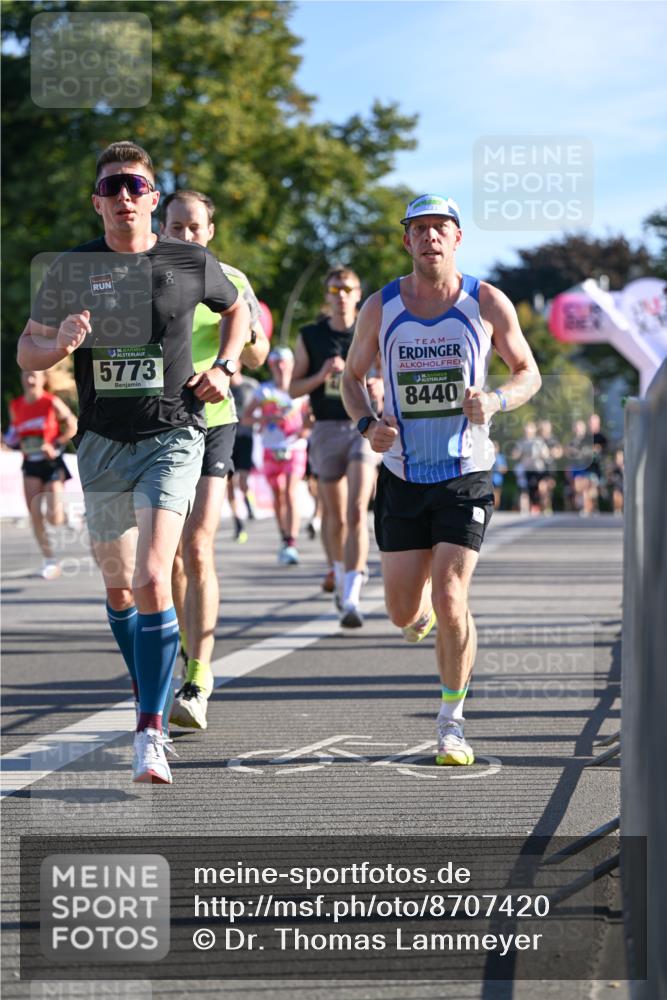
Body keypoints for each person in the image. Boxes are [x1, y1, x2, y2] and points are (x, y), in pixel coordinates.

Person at [17, 141, 250, 784]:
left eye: (137, 186)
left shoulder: (189, 260)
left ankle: (149, 730)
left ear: (153, 197)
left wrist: (224, 369)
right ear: (97, 201)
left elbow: (238, 312)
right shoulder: (71, 267)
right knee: (119, 586)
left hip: (172, 434)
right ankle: (152, 674)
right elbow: (25, 352)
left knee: (153, 575)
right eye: (113, 186)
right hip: (99, 443)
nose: (125, 196)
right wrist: (57, 343)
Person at [342, 193, 541, 765]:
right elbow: (352, 378)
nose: (430, 237)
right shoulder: (381, 306)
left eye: (441, 228)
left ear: (457, 239)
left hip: (465, 471)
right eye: (420, 229)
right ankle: (420, 615)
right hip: (403, 474)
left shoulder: (486, 302)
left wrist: (497, 399)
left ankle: (451, 721)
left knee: (453, 592)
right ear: (406, 240)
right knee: (405, 612)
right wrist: (366, 424)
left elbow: (528, 371)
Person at [160, 189, 269, 731]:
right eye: (175, 227)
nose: (184, 236)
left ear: (209, 232)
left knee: (198, 545)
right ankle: (185, 646)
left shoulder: (232, 279)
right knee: (172, 557)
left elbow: (260, 355)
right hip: (158, 422)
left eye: (193, 228)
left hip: (215, 419)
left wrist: (242, 339)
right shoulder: (145, 273)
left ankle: (199, 677)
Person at [290, 267, 380, 628]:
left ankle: (353, 595)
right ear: (326, 295)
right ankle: (339, 571)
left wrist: (379, 388)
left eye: (347, 288)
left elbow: (389, 372)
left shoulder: (371, 327)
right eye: (334, 288)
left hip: (363, 427)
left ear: (358, 294)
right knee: (334, 515)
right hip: (325, 428)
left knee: (358, 511)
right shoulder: (311, 335)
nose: (341, 294)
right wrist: (322, 374)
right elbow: (293, 388)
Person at [7, 369, 78, 578]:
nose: (29, 379)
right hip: (30, 463)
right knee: (35, 515)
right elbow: (13, 434)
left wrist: (56, 444)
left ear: (43, 379)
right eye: (26, 375)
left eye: (34, 376)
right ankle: (49, 560)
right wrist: (10, 442)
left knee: (53, 517)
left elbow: (73, 424)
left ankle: (66, 516)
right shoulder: (16, 405)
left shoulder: (51, 402)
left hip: (51, 463)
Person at [242, 346, 309, 564]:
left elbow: (310, 418)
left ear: (291, 365)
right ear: (271, 365)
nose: (281, 367)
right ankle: (284, 536)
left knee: (290, 491)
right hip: (271, 448)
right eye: (276, 363)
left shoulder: (301, 391)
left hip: (295, 447)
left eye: (285, 362)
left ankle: (292, 541)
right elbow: (246, 418)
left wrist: (305, 428)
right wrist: (267, 419)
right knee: (278, 495)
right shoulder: (264, 391)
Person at [228, 368, 260, 542]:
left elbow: (262, 409)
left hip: (246, 438)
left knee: (243, 481)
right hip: (227, 438)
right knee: (229, 484)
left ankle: (248, 501)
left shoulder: (251, 385)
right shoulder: (222, 382)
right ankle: (238, 522)